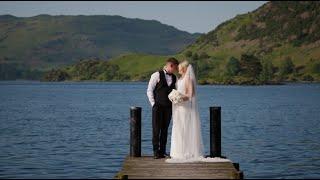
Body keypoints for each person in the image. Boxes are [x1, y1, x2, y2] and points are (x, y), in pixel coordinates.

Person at [166, 60, 231, 163]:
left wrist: (179, 98)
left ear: (184, 68)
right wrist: (175, 97)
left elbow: (191, 95)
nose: (178, 68)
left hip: (185, 107)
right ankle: (177, 152)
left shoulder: (188, 79)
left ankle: (186, 152)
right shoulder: (180, 79)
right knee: (178, 127)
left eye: (180, 67)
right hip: (178, 108)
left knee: (185, 128)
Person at [147, 57, 179, 159]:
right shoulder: (156, 75)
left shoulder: (175, 78)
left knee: (165, 130)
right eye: (175, 68)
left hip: (169, 108)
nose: (176, 70)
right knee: (156, 130)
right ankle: (156, 152)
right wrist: (153, 103)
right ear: (171, 65)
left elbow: (176, 92)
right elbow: (149, 90)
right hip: (158, 107)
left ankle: (163, 151)